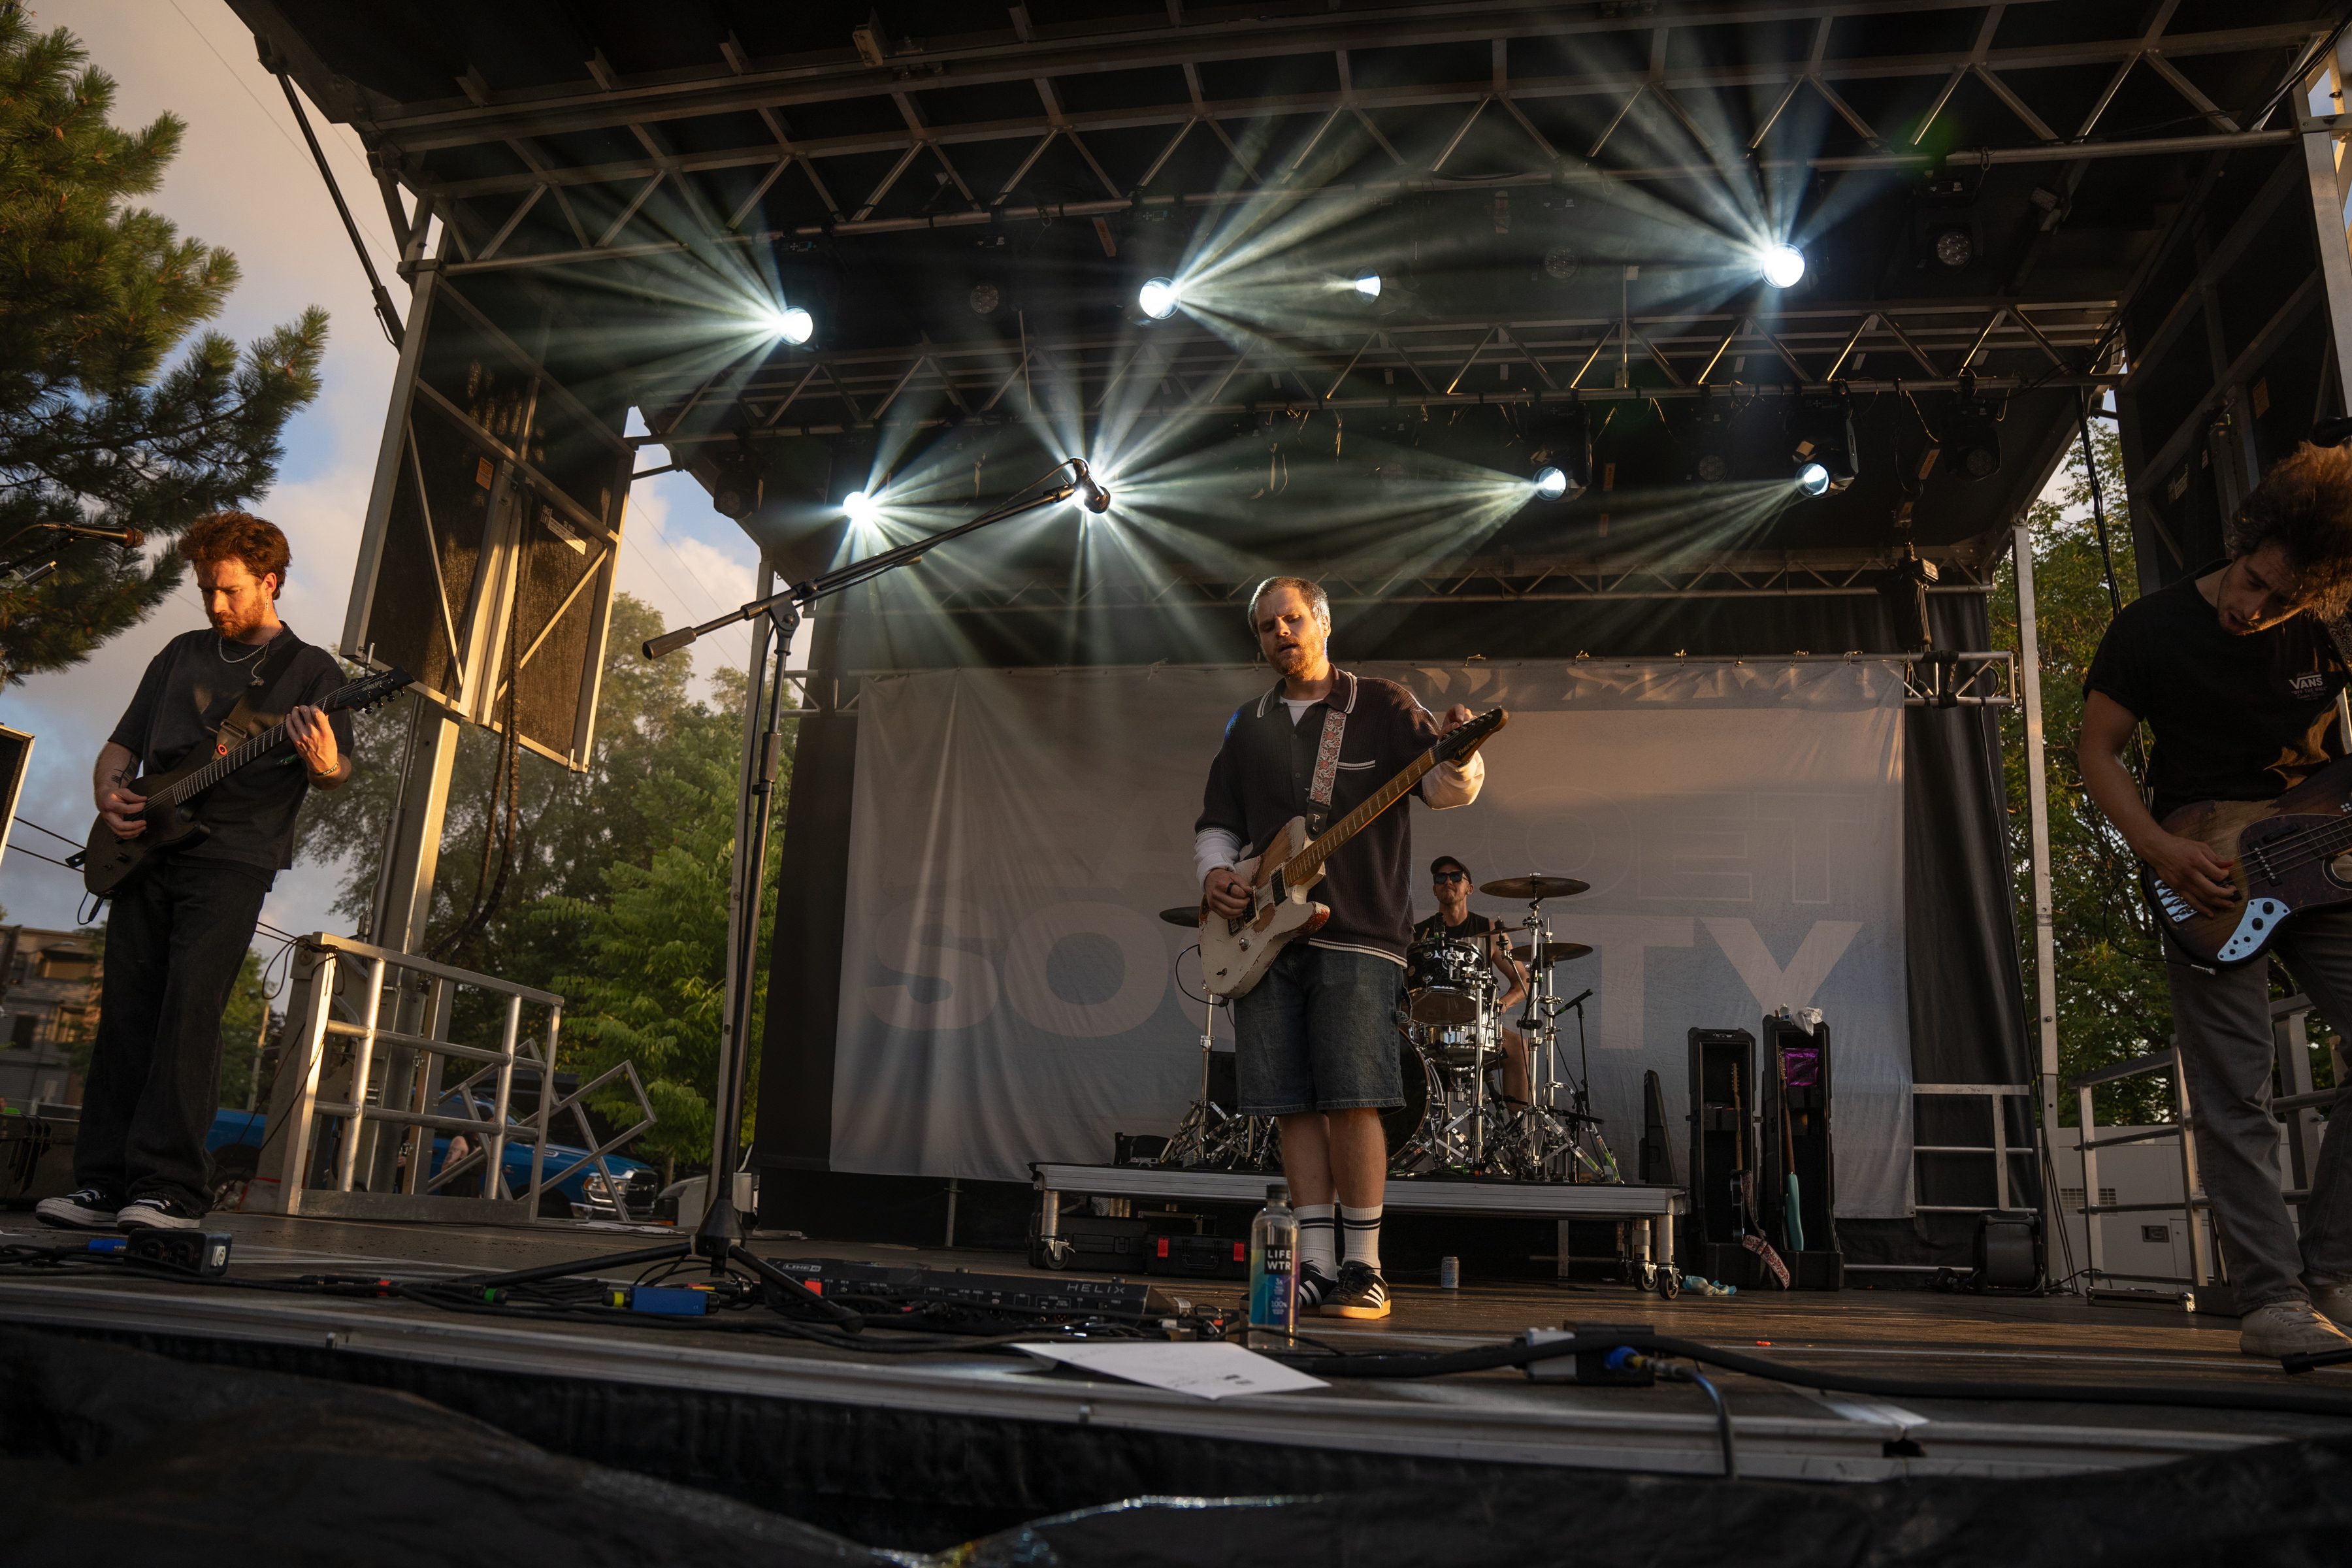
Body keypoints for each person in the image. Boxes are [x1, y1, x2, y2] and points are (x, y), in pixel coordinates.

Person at [2078, 442, 2352, 1360]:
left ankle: (2336, 1271)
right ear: (2244, 542)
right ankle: (2270, 1300)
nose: (2253, 606)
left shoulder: (2332, 629)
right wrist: (2157, 845)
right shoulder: (2151, 630)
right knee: (2237, 1089)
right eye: (2251, 581)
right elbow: (2098, 751)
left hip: (2326, 860)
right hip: (2210, 868)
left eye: (2282, 600)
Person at [37, 512, 355, 1233]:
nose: (215, 605)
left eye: (230, 590)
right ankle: (102, 1183)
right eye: (207, 588)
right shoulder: (180, 653)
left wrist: (324, 759)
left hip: (234, 856)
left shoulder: (312, 672)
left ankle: (171, 1190)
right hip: (147, 847)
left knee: (190, 1013)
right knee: (125, 1014)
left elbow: (336, 774)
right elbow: (119, 749)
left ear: (269, 582)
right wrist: (108, 797)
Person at [1196, 577, 1484, 1318]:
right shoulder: (1248, 724)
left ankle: (1365, 1267)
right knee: (1289, 1106)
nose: (1279, 634)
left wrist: (1460, 756)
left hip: (1360, 932)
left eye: (1292, 619)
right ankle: (1315, 1265)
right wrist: (1219, 876)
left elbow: (1448, 789)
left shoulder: (1381, 704)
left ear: (1324, 623)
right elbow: (1217, 822)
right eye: (1265, 627)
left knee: (1355, 1100)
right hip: (1265, 937)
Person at [1413, 855, 1533, 1103]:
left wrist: (1501, 1005)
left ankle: (1518, 1135)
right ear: (1434, 889)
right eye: (1440, 878)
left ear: (1469, 888)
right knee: (1389, 1047)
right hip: (1426, 1026)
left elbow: (1523, 980)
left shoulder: (1488, 930)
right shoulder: (1417, 934)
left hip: (1476, 1027)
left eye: (1456, 876)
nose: (1448, 881)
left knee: (1520, 1050)